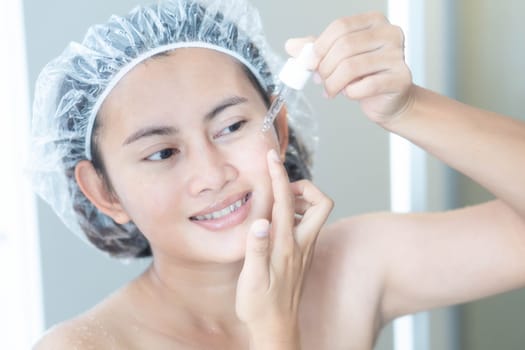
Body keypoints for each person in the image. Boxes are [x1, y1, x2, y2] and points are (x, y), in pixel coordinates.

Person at [31, 0, 525, 349]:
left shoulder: (356, 265)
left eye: (230, 126)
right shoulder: (82, 347)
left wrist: (408, 108)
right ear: (103, 191)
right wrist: (273, 331)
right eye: (162, 153)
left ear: (279, 128)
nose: (212, 173)